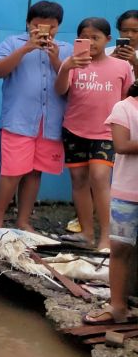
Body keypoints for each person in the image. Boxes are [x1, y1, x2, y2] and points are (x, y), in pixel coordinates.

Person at [0, 1, 71, 232]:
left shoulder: (67, 49)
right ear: (28, 24)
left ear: (59, 26)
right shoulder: (13, 43)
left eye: (51, 27)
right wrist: (25, 49)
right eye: (37, 26)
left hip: (50, 123)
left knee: (34, 173)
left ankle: (23, 221)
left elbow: (73, 84)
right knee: (11, 172)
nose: (45, 32)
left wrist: (55, 59)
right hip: (18, 120)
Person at [57, 17, 134, 250]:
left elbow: (126, 99)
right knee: (79, 180)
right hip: (74, 130)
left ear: (108, 40)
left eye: (96, 38)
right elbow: (61, 91)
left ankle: (105, 238)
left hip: (106, 132)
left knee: (99, 178)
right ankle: (87, 234)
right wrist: (67, 67)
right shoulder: (71, 63)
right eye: (85, 38)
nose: (90, 43)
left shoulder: (120, 66)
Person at [84, 80, 138, 325]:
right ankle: (117, 305)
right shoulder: (124, 108)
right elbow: (122, 145)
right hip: (128, 193)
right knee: (120, 249)